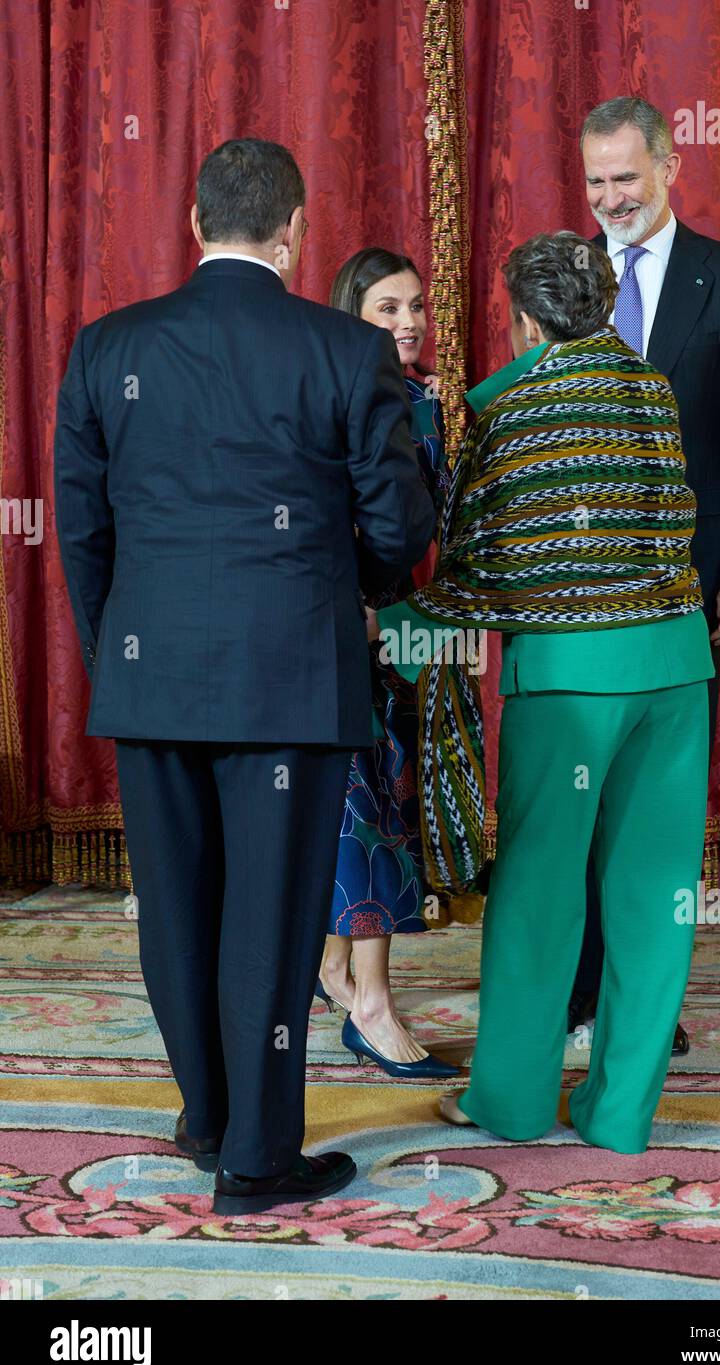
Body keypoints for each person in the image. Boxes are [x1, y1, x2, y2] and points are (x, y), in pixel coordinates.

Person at [53, 139, 435, 1216]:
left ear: (192, 219)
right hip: (292, 680)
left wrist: (118, 653)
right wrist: (347, 587)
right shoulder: (343, 349)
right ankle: (258, 1160)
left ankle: (209, 1119)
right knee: (267, 920)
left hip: (151, 677)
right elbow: (398, 525)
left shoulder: (105, 346)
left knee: (177, 912)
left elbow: (81, 533)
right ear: (295, 230)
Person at [371, 232, 714, 1152]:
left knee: (537, 894)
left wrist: (394, 634)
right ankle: (620, 1116)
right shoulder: (652, 387)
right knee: (654, 899)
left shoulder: (514, 405)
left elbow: (481, 567)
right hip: (677, 673)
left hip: (568, 686)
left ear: (523, 317)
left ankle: (514, 1105)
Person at [568, 96, 720, 1046]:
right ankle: (578, 993)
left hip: (682, 585)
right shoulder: (565, 276)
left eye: (625, 176)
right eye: (595, 181)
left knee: (655, 809)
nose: (610, 197)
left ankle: (645, 1000)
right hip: (573, 581)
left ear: (670, 168)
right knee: (576, 793)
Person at [317, 249, 457, 1079]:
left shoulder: (422, 399)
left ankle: (337, 971)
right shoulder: (336, 391)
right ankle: (369, 1002)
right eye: (386, 309)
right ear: (351, 315)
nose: (407, 323)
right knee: (365, 810)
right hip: (344, 624)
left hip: (397, 629)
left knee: (373, 801)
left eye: (414, 307)